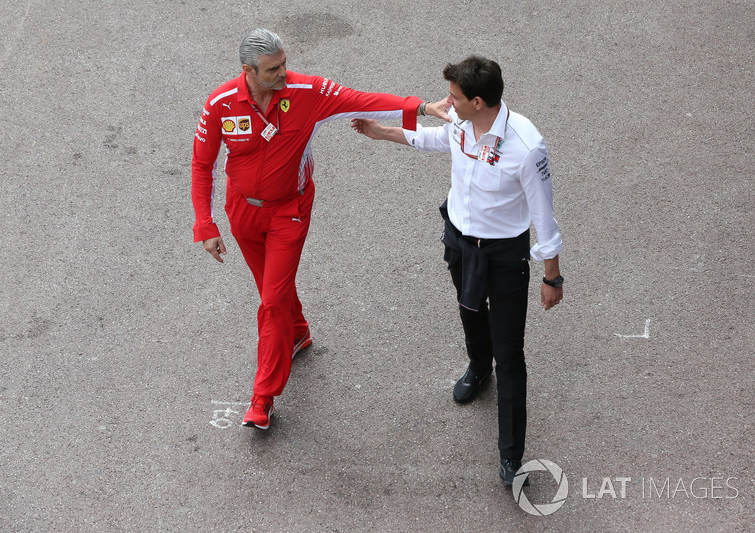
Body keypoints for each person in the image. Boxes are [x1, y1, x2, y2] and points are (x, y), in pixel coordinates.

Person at [191, 28, 449, 430]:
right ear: (248, 70)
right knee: (270, 290)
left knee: (271, 301)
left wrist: (422, 108)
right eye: (273, 69)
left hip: (288, 212)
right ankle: (297, 333)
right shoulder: (221, 103)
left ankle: (263, 397)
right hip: (241, 212)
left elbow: (362, 100)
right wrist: (205, 223)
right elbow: (202, 164)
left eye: (285, 64)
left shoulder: (307, 92)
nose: (284, 73)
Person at [351, 56, 563, 487]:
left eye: (454, 97)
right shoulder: (461, 122)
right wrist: (383, 132)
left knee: (511, 354)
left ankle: (510, 455)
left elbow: (545, 217)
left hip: (504, 256)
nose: (446, 102)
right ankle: (477, 366)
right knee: (469, 312)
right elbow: (436, 140)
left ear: (479, 101)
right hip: (461, 241)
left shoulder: (526, 146)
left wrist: (551, 277)